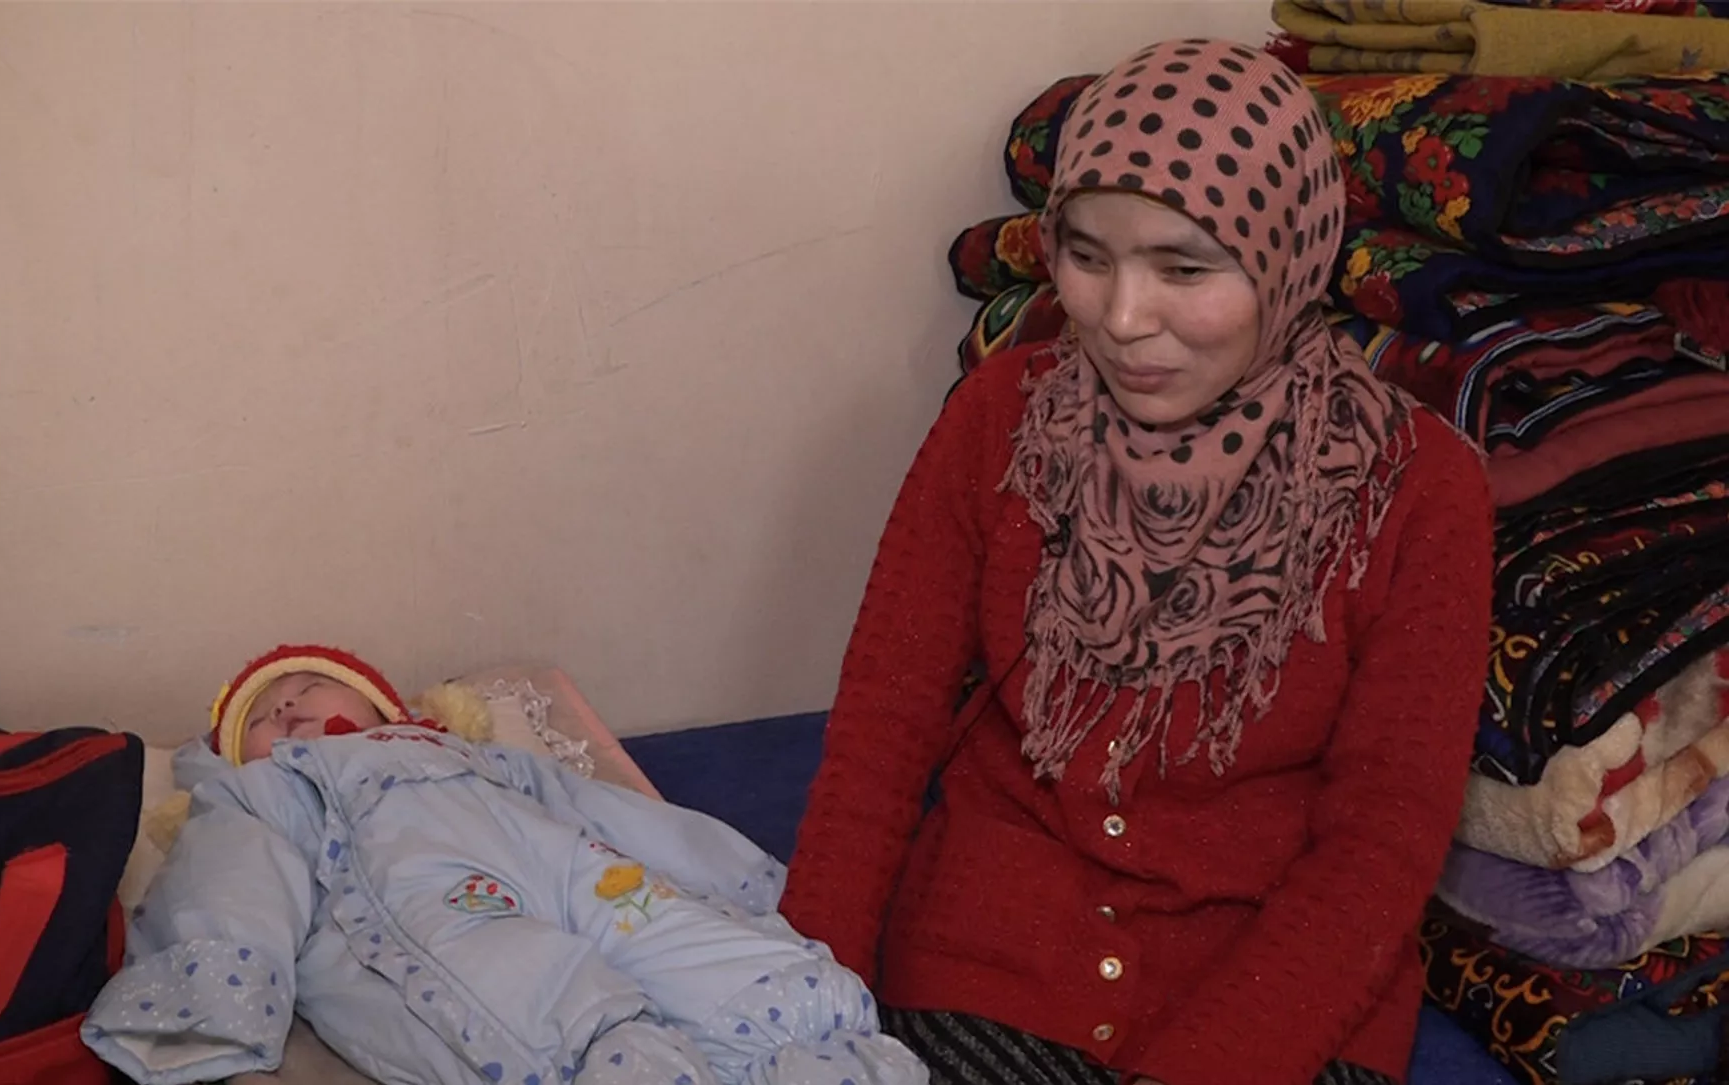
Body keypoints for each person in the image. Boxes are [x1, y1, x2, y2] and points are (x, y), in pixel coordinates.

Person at [781, 38, 1493, 1085]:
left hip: (1280, 1002)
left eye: (1185, 268)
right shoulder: (1001, 420)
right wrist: (795, 1012)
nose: (1120, 318)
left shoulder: (1418, 488)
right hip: (992, 970)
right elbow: (881, 734)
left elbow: (1380, 845)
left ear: (1288, 255)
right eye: (1088, 255)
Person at [84, 644, 927, 1085]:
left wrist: (740, 878)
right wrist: (221, 996)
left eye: (306, 684)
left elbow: (602, 808)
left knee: (717, 955)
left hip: (571, 866)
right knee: (552, 1001)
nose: (288, 704)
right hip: (431, 903)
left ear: (381, 702)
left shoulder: (475, 756)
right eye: (261, 716)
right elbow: (232, 878)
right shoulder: (268, 789)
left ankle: (809, 1041)